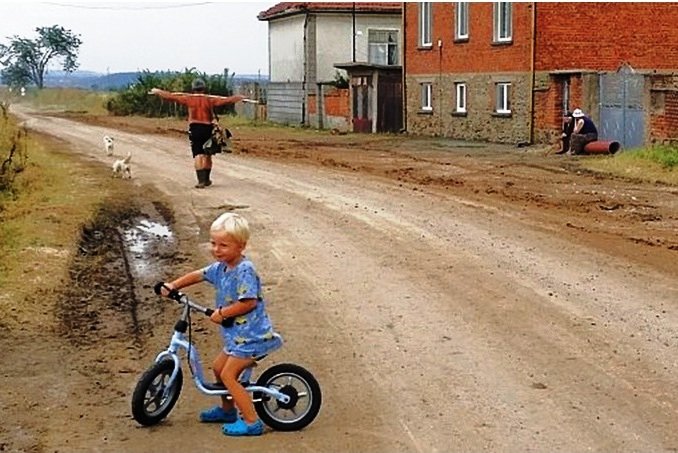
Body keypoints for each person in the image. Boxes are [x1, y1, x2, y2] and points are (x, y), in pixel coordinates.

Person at [158, 212, 283, 436]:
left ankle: (252, 421)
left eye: (223, 245)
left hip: (252, 336)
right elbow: (199, 274)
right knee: (218, 368)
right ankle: (227, 410)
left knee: (228, 375)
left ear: (241, 246)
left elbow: (249, 302)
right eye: (213, 243)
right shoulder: (221, 267)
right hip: (237, 337)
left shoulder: (244, 269)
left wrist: (223, 312)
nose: (216, 249)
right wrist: (173, 286)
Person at [149, 79, 245, 188]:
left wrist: (158, 91)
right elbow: (226, 101)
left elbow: (170, 97)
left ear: (193, 89)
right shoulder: (209, 100)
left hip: (195, 127)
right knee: (208, 154)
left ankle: (201, 181)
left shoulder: (189, 99)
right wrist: (239, 98)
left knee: (198, 154)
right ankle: (207, 179)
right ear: (204, 88)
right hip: (207, 127)